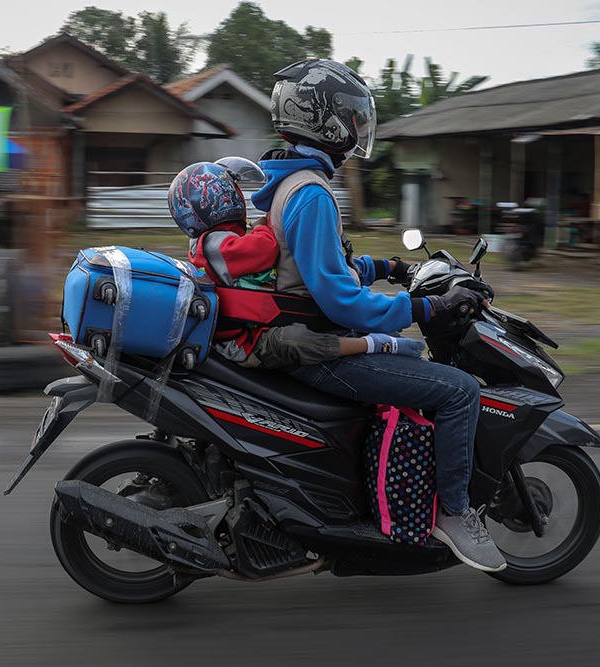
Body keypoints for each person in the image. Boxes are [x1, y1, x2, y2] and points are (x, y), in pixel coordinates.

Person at [252, 59, 506, 572]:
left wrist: (387, 266)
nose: (356, 130)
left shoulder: (289, 182)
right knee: (460, 390)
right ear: (321, 119)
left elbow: (321, 269)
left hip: (300, 333)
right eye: (350, 118)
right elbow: (339, 301)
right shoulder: (313, 194)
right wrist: (425, 306)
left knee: (411, 356)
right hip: (321, 346)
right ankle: (454, 514)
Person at [167, 159, 424, 369]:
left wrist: (388, 266)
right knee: (298, 341)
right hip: (243, 341)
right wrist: (268, 225)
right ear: (219, 201)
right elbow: (266, 249)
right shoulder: (215, 245)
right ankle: (374, 344)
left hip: (256, 325)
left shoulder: (218, 240)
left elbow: (325, 264)